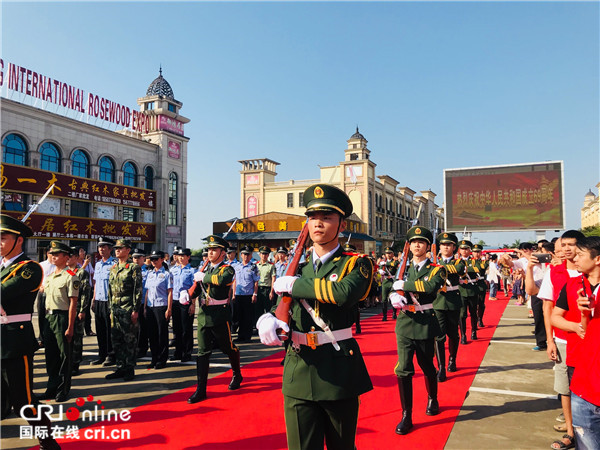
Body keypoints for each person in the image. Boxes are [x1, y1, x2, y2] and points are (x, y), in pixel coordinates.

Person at [257, 184, 373, 450]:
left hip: (337, 369)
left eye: (327, 217)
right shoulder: (298, 267)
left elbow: (342, 293)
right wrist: (271, 320)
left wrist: (294, 285)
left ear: (342, 225)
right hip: (299, 368)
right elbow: (284, 309)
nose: (317, 223)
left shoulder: (356, 263)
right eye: (312, 217)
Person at [1, 215, 60, 449]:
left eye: (3, 238)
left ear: (19, 241)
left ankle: (48, 441)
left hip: (15, 343)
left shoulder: (29, 269)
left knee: (23, 401)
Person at [390, 226, 446, 435]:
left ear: (428, 246)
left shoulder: (436, 269)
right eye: (413, 242)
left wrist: (404, 284)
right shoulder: (401, 267)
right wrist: (393, 295)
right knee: (403, 369)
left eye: (421, 242)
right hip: (404, 323)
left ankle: (432, 397)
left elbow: (431, 287)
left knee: (427, 366)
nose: (416, 245)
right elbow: (390, 284)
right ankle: (407, 415)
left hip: (424, 322)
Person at [187, 235, 242, 403]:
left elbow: (223, 280)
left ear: (223, 253)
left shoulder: (227, 269)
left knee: (228, 348)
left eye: (214, 250)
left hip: (219, 315)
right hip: (204, 315)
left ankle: (237, 374)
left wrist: (203, 277)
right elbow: (198, 290)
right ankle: (201, 389)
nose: (210, 252)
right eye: (209, 250)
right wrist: (187, 296)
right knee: (202, 353)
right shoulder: (205, 269)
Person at [570, 236, 600, 450]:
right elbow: (587, 333)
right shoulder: (577, 285)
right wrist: (583, 314)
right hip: (585, 383)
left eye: (580, 254)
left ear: (597, 259)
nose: (574, 258)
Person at [42, 241, 79, 402]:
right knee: (50, 354)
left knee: (65, 355)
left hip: (62, 317)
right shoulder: (49, 277)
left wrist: (70, 327)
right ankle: (51, 386)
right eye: (52, 254)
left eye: (57, 254)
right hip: (48, 318)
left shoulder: (71, 276)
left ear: (66, 257)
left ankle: (63, 389)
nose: (53, 256)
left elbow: (73, 303)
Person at [105, 239, 142, 381]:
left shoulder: (133, 268)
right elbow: (109, 290)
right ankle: (120, 367)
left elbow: (137, 290)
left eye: (120, 248)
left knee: (129, 340)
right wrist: (110, 309)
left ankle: (129, 368)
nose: (117, 250)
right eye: (116, 248)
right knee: (117, 339)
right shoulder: (113, 268)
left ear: (128, 250)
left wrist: (135, 310)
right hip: (115, 309)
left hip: (127, 307)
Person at [433, 232, 464, 381]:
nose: (445, 247)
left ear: (454, 247)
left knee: (453, 334)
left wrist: (437, 266)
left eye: (448, 244)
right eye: (443, 244)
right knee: (439, 337)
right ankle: (441, 367)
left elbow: (458, 271)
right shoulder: (433, 261)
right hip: (438, 302)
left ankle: (452, 359)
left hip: (452, 302)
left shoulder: (458, 263)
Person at [144, 250, 173, 369]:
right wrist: (145, 307)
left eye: (156, 259)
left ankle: (162, 359)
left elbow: (170, 292)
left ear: (162, 259)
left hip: (161, 306)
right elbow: (147, 291)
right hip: (151, 307)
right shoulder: (149, 274)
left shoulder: (167, 274)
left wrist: (169, 309)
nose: (154, 261)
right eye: (152, 259)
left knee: (162, 334)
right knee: (152, 334)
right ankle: (154, 357)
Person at [91, 237, 117, 366]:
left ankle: (111, 355)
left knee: (109, 330)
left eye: (104, 247)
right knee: (100, 329)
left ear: (110, 249)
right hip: (99, 300)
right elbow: (96, 283)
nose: (101, 249)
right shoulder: (98, 264)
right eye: (99, 247)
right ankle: (101, 355)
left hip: (109, 301)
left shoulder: (114, 264)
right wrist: (93, 298)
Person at [67, 248, 92, 376]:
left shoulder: (81, 273)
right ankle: (67, 362)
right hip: (65, 310)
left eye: (70, 256)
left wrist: (82, 310)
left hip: (77, 310)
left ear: (77, 258)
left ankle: (75, 364)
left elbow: (85, 293)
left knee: (76, 338)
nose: (68, 259)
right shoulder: (65, 272)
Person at [170, 248, 195, 362]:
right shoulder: (173, 270)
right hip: (175, 301)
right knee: (177, 328)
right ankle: (178, 351)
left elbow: (195, 289)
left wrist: (193, 304)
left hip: (186, 301)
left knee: (186, 328)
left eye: (183, 256)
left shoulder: (192, 271)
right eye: (179, 256)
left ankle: (187, 352)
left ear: (188, 257)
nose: (180, 258)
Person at [232, 245, 259, 343]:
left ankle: (247, 336)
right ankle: (240, 336)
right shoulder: (237, 267)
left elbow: (256, 282)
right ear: (241, 255)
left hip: (248, 295)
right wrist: (233, 294)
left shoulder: (253, 267)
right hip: (239, 294)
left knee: (248, 317)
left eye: (248, 254)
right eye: (244, 254)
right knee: (239, 316)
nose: (246, 256)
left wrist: (254, 294)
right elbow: (234, 281)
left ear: (251, 255)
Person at [457, 240, 479, 343]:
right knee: (462, 315)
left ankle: (474, 331)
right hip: (461, 291)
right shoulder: (456, 261)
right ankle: (463, 335)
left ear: (470, 250)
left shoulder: (475, 261)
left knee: (473, 312)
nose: (464, 251)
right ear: (459, 250)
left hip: (472, 290)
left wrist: (464, 268)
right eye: (462, 249)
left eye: (466, 249)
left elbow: (478, 269)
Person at [131, 248, 149, 358]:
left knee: (143, 327)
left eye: (139, 257)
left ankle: (142, 348)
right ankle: (134, 347)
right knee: (133, 327)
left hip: (143, 303)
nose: (136, 260)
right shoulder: (130, 270)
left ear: (144, 258)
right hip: (132, 303)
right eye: (134, 257)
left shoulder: (147, 271)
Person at [36, 248, 55, 346]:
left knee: (51, 315)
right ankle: (42, 338)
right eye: (52, 253)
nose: (53, 255)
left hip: (53, 294)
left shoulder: (57, 266)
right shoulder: (41, 265)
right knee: (41, 315)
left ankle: (50, 337)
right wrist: (40, 286)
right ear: (47, 253)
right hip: (42, 293)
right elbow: (36, 279)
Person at [255, 246, 276, 324]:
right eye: (262, 254)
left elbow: (273, 278)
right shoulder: (256, 265)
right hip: (258, 289)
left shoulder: (271, 265)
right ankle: (258, 327)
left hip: (267, 289)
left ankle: (269, 326)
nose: (264, 256)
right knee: (258, 310)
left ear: (268, 255)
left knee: (268, 309)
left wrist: (272, 291)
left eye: (266, 254)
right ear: (260, 255)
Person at [77, 247, 95, 336]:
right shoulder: (75, 264)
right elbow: (77, 274)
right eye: (81, 251)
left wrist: (92, 286)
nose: (83, 253)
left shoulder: (87, 263)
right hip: (78, 291)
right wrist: (84, 265)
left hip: (87, 290)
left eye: (83, 251)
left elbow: (92, 274)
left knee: (87, 311)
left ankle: (88, 330)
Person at [380, 246, 399, 321]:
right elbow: (381, 269)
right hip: (385, 282)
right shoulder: (383, 262)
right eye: (387, 253)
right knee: (384, 299)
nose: (388, 255)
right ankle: (384, 316)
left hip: (392, 281)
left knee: (393, 298)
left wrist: (386, 264)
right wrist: (380, 270)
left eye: (390, 253)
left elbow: (396, 267)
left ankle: (394, 314)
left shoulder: (395, 262)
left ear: (393, 254)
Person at [471, 244, 488, 328]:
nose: (476, 253)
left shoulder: (483, 262)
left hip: (480, 284)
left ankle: (480, 318)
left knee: (481, 304)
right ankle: (474, 321)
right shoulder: (469, 262)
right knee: (473, 305)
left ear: (481, 252)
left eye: (478, 252)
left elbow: (482, 268)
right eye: (474, 252)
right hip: (472, 285)